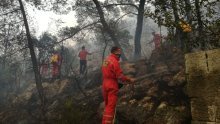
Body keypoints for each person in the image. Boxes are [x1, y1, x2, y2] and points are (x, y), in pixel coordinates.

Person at [102, 46, 135, 124]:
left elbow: (106, 71)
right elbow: (119, 76)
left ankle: (104, 122)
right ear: (115, 52)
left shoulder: (106, 60)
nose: (120, 55)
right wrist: (129, 80)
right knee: (111, 106)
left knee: (107, 106)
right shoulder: (114, 61)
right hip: (112, 85)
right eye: (119, 53)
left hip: (105, 84)